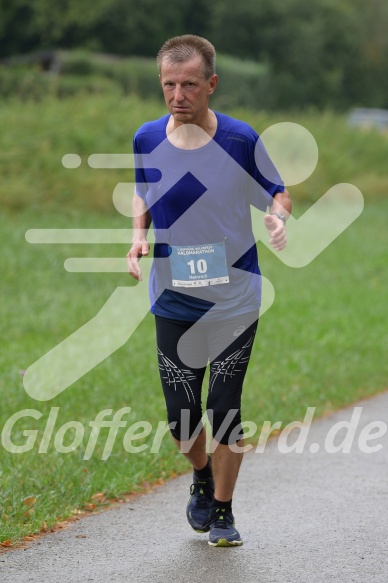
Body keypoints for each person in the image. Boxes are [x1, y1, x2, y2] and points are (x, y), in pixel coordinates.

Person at [127, 34, 292, 547]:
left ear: (211, 85)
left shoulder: (240, 139)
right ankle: (200, 475)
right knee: (181, 421)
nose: (178, 95)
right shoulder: (146, 137)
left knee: (224, 406)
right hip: (174, 297)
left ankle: (222, 511)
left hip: (235, 297)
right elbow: (142, 188)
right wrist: (137, 235)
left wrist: (277, 217)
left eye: (190, 85)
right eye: (170, 84)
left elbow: (279, 191)